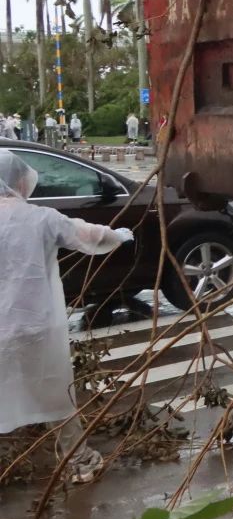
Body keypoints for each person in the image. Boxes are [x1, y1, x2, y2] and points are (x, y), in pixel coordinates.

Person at [0, 150, 133, 483]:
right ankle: (79, 462)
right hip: (35, 324)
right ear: (20, 181)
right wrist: (119, 236)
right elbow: (89, 236)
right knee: (55, 396)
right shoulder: (41, 218)